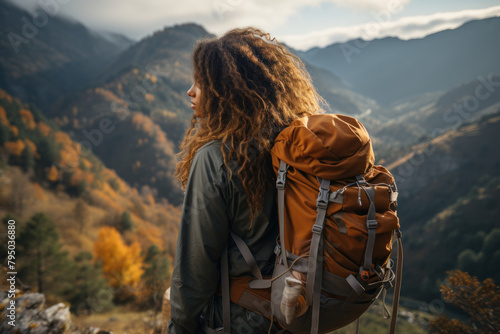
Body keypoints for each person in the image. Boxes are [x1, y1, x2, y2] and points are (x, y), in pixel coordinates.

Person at [168, 27, 324, 333]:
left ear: (225, 91)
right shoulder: (293, 146)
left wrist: (180, 326)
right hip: (293, 311)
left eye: (201, 83)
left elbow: (195, 265)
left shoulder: (217, 158)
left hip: (239, 317)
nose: (191, 90)